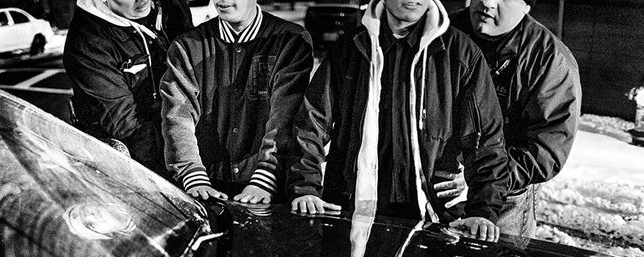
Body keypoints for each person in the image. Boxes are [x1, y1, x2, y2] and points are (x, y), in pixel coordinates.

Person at [288, 0, 509, 242]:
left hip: (435, 220)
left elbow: (487, 140)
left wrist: (483, 212)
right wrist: (305, 188)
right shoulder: (350, 47)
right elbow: (311, 122)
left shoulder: (459, 52)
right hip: (352, 214)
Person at [160, 0, 313, 204]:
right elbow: (177, 115)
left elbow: (285, 115)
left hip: (268, 189)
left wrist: (265, 176)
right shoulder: (188, 45)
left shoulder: (290, 40)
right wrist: (192, 174)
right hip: (206, 186)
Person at [450, 0, 581, 238]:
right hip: (438, 187)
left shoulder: (549, 59)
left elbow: (547, 149)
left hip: (507, 201)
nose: (488, 3)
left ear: (526, 5)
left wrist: (485, 181)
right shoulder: (443, 32)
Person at [63, 0, 192, 177]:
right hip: (144, 161)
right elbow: (127, 127)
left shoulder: (173, 8)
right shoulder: (87, 42)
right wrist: (186, 153)